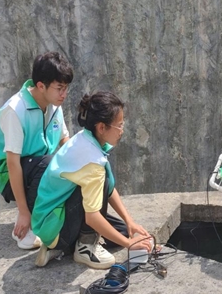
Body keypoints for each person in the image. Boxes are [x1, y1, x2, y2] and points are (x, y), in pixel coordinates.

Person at [32, 91, 153, 269]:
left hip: (52, 221)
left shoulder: (86, 139)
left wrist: (130, 222)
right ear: (101, 127)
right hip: (53, 224)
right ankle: (85, 247)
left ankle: (60, 248)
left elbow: (109, 189)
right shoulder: (92, 161)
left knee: (120, 232)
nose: (122, 130)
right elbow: (92, 218)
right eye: (119, 126)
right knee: (107, 221)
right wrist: (130, 245)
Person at [0, 51, 73, 250]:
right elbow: (12, 163)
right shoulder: (16, 110)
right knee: (47, 163)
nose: (64, 94)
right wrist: (23, 211)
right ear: (41, 86)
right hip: (11, 175)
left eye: (66, 88)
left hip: (40, 167)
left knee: (65, 165)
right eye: (59, 88)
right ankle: (30, 223)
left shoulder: (54, 105)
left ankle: (50, 221)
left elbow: (64, 140)